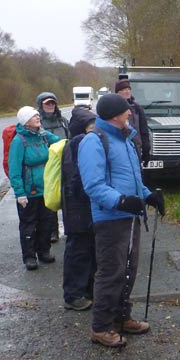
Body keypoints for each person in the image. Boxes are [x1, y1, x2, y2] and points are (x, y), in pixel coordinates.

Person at [78, 93, 165, 347]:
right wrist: (121, 201)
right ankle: (101, 327)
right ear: (115, 115)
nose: (130, 113)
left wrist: (148, 196)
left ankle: (121, 317)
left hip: (130, 216)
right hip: (110, 219)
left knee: (128, 270)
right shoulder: (93, 142)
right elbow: (93, 186)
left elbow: (132, 179)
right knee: (111, 273)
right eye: (127, 110)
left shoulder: (126, 139)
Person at [8, 106, 61, 270]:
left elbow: (60, 143)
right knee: (29, 224)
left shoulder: (43, 135)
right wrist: (19, 193)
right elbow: (14, 170)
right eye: (34, 116)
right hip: (29, 192)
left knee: (46, 222)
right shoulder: (19, 141)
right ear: (26, 122)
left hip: (46, 189)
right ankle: (29, 257)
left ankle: (44, 251)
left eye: (38, 115)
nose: (38, 117)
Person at [62, 107, 98, 311]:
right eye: (90, 128)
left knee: (90, 250)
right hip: (77, 207)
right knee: (78, 251)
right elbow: (75, 180)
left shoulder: (82, 143)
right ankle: (73, 295)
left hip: (85, 206)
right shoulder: (75, 145)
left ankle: (86, 290)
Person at [37, 92, 70, 243]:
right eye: (47, 103)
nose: (50, 106)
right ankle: (52, 231)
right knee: (50, 197)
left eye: (52, 103)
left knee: (66, 196)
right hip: (47, 165)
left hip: (64, 163)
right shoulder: (38, 122)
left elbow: (70, 138)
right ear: (41, 105)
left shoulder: (63, 121)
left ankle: (69, 227)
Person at [115, 79, 151, 166]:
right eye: (123, 90)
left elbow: (144, 130)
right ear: (117, 93)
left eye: (128, 89)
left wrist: (146, 150)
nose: (127, 91)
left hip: (136, 149)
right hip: (119, 150)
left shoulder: (137, 108)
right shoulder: (113, 107)